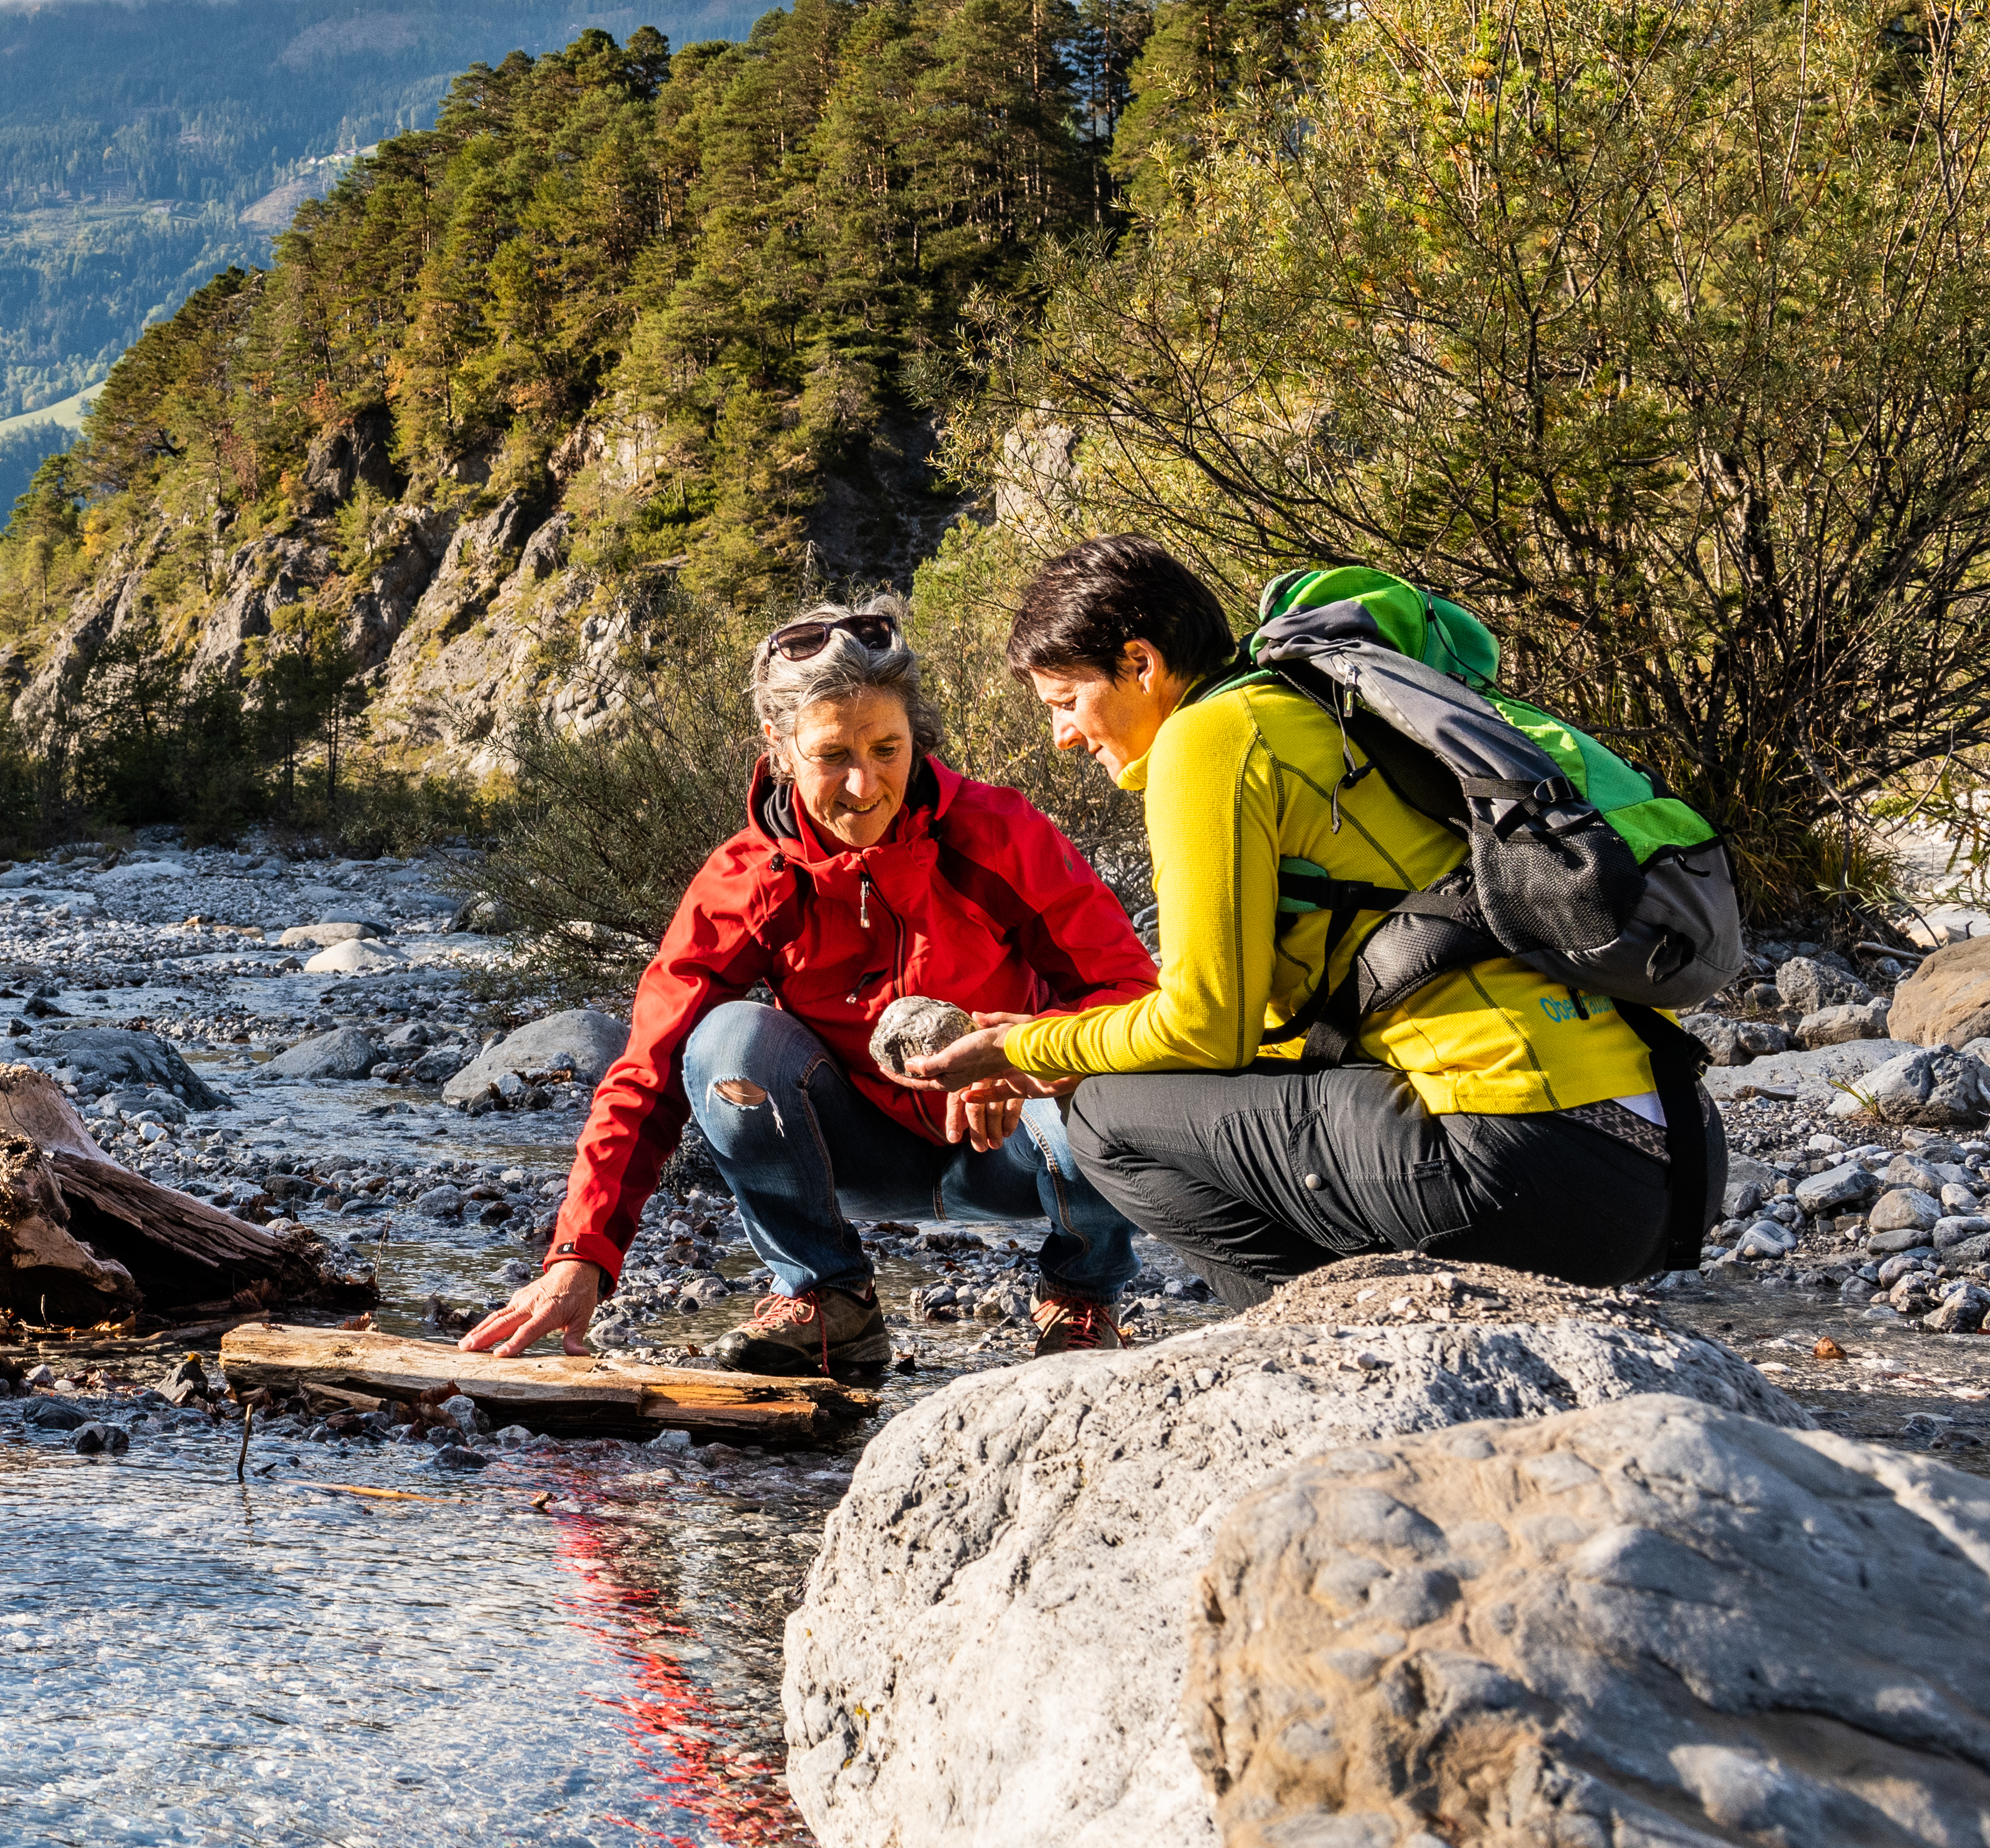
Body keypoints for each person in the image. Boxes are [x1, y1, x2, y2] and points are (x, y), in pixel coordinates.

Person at [898, 536, 1673, 1307]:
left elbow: (1204, 1029)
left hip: (1522, 1165)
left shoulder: (1209, 737)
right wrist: (1081, 1050)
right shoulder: (1307, 713)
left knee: (1107, 1118)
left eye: (1066, 702)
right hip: (1652, 1166)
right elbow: (1268, 1027)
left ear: (1141, 664)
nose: (1064, 735)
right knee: (1129, 1079)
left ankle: (1317, 1347)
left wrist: (1018, 1045)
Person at [460, 599, 1160, 1378]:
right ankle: (830, 1299)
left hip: (1014, 1142)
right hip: (853, 1147)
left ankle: (1082, 1296)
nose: (865, 785)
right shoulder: (748, 879)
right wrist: (580, 1257)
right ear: (780, 747)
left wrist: (1023, 1053)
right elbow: (646, 1073)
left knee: (1116, 1074)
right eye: (833, 755)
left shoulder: (998, 835)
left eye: (888, 748)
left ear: (916, 737)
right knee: (726, 1039)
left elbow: (1134, 999)